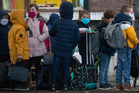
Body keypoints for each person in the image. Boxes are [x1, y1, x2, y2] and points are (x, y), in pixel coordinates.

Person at [49, 1, 80, 91]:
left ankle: (53, 84)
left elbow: (52, 33)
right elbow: (77, 38)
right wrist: (71, 46)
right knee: (66, 67)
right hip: (67, 50)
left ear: (61, 11)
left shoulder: (57, 22)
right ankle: (65, 85)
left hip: (57, 49)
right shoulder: (74, 24)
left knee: (56, 66)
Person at [115, 5, 139, 91]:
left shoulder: (118, 23)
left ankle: (118, 85)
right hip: (127, 47)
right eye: (131, 13)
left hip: (120, 47)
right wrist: (136, 42)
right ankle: (127, 85)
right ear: (126, 13)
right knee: (127, 66)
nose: (132, 15)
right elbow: (132, 36)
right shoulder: (127, 24)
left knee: (119, 66)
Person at [8, 10, 30, 91]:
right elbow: (19, 42)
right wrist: (20, 53)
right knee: (20, 70)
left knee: (14, 69)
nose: (24, 18)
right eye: (23, 16)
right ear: (19, 17)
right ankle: (19, 85)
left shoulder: (13, 28)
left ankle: (12, 85)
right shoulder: (20, 28)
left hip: (13, 53)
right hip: (19, 53)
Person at [95, 10, 116, 90]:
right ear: (109, 18)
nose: (113, 19)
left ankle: (106, 82)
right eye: (112, 18)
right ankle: (102, 83)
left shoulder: (104, 25)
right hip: (105, 49)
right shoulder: (104, 27)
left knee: (106, 67)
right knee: (103, 67)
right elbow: (104, 40)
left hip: (107, 49)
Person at [26, 4, 49, 77]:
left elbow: (47, 33)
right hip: (28, 47)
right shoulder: (26, 22)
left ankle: (39, 81)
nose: (31, 12)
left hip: (38, 47)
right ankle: (26, 81)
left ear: (37, 11)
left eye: (33, 10)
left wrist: (39, 39)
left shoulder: (41, 22)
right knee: (28, 66)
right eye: (29, 10)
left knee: (38, 65)